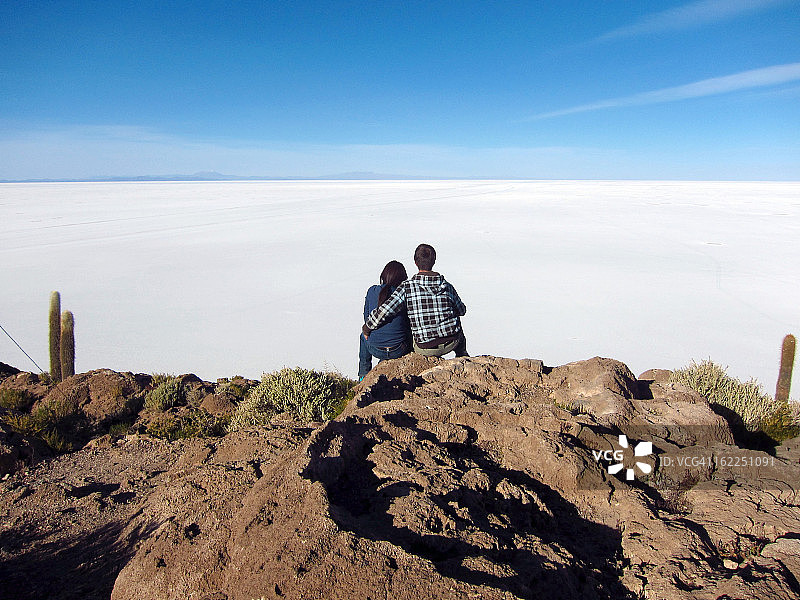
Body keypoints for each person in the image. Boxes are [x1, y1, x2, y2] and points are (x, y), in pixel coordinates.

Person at [363, 243, 468, 358]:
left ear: (415, 262)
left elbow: (385, 310)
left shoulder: (407, 287)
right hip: (451, 342)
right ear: (434, 261)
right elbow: (461, 310)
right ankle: (462, 355)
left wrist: (367, 328)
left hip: (424, 348)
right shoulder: (447, 286)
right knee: (456, 318)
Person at [358, 260, 412, 379]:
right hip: (399, 349)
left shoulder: (372, 291)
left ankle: (363, 375)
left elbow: (366, 318)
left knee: (363, 336)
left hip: (375, 348)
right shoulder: (404, 295)